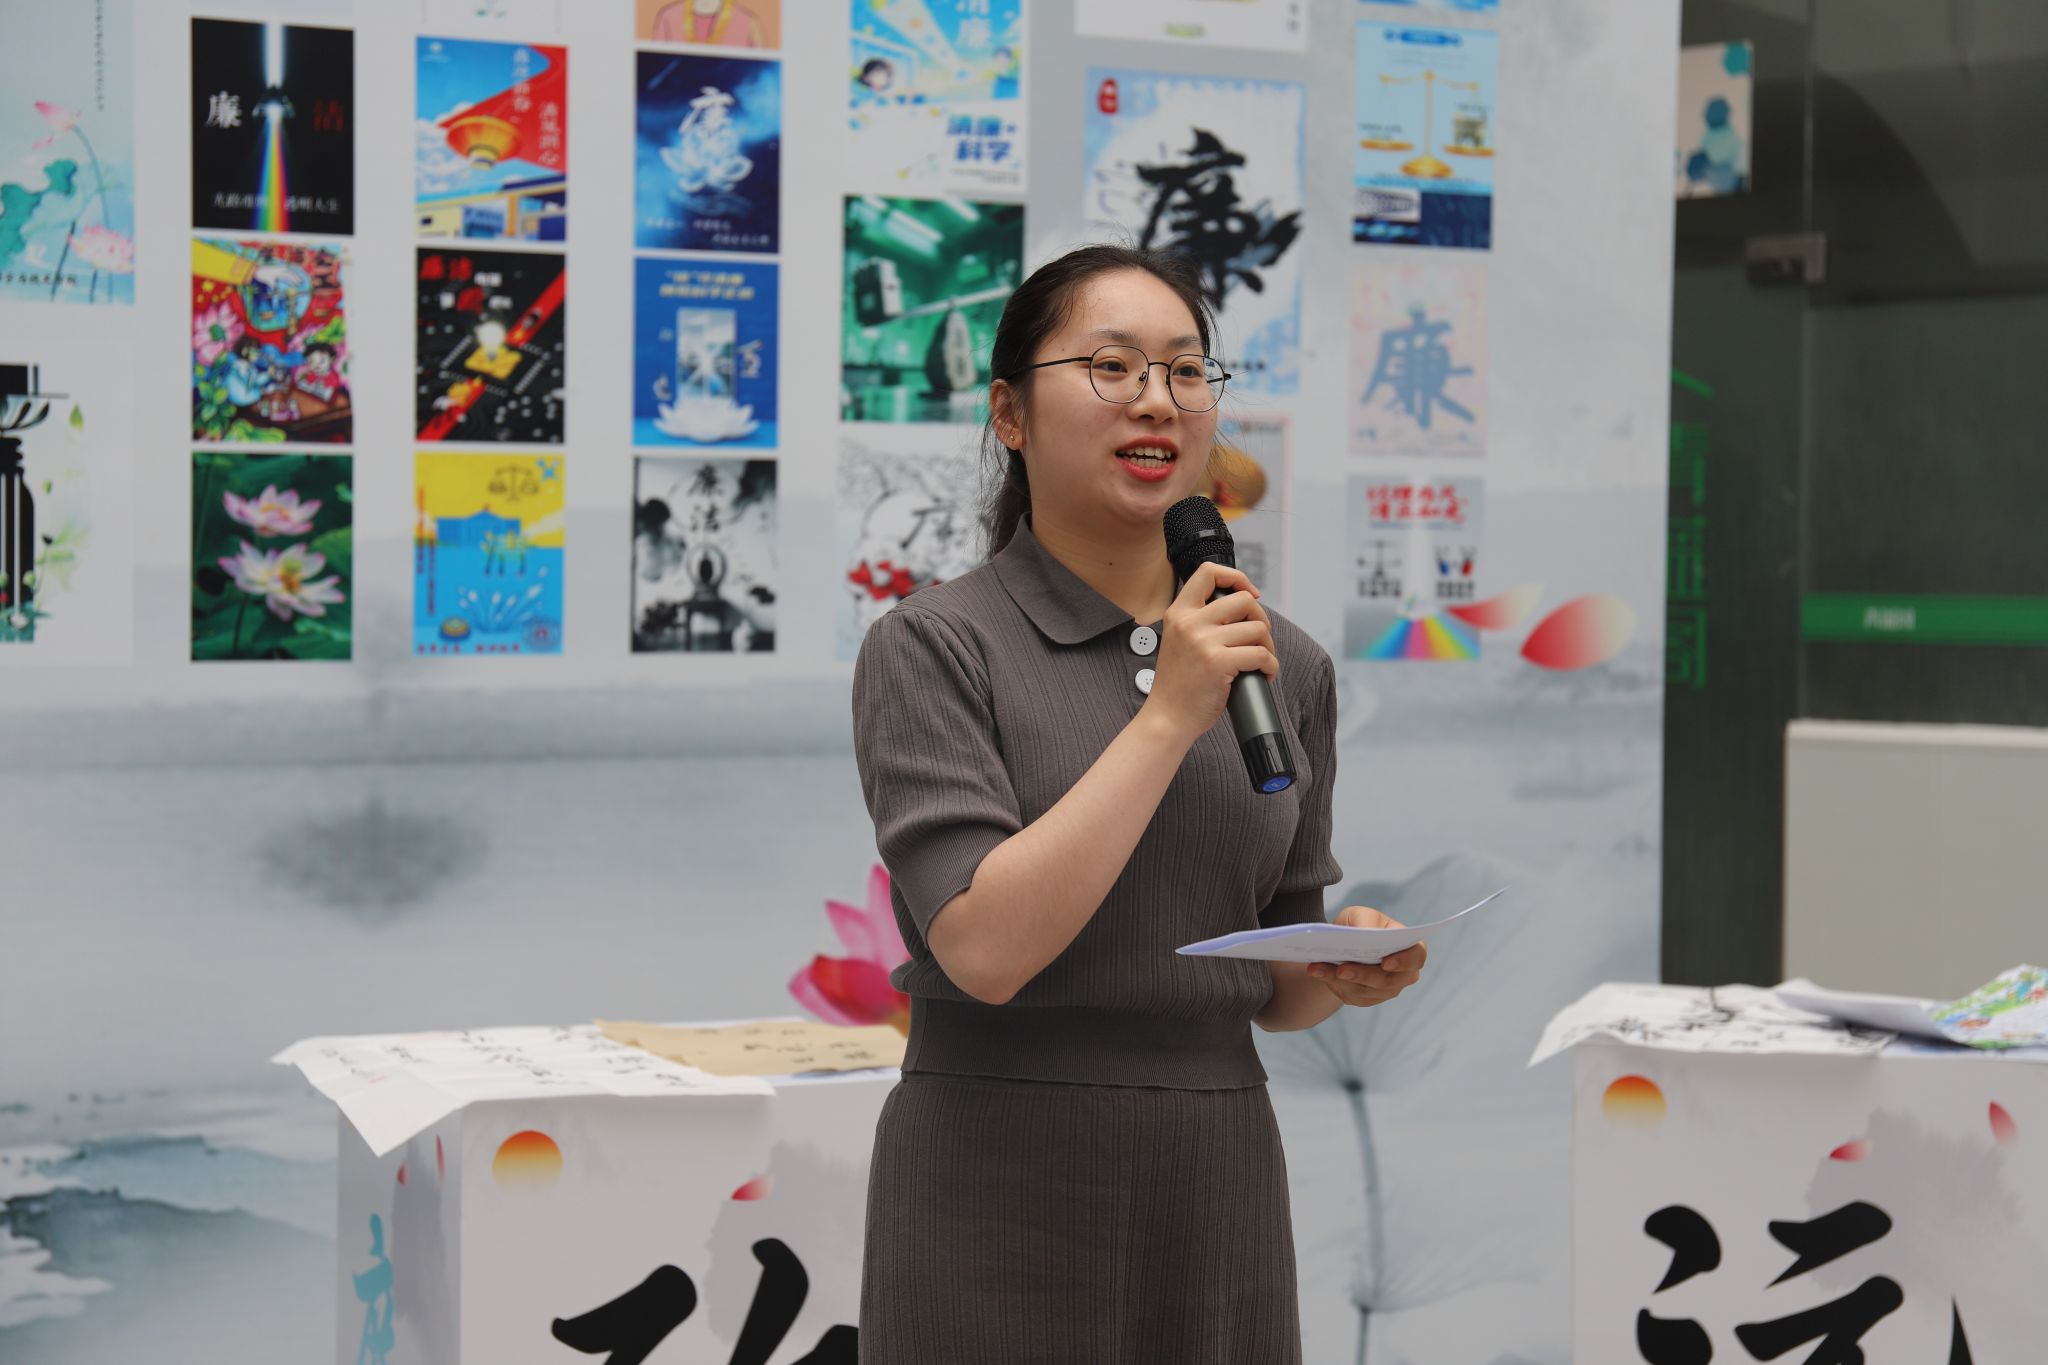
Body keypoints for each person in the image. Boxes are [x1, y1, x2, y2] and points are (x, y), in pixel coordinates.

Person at [850, 243, 1429, 1362]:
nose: (1156, 400)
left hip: (1213, 1181)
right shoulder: (935, 646)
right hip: (993, 1174)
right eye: (1110, 367)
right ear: (1010, 414)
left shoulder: (1282, 661)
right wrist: (1167, 714)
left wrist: (1341, 964)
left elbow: (1274, 984)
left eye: (1185, 371)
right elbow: (984, 949)